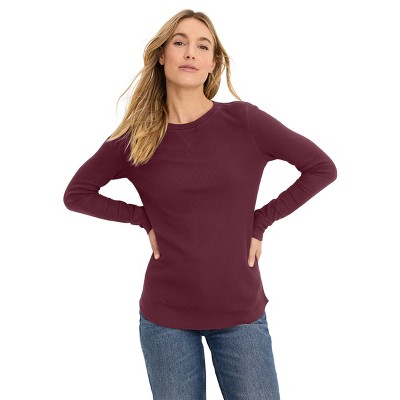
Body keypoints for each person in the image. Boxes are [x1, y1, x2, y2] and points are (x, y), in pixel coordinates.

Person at [63, 8, 337, 400]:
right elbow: (77, 194)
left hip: (240, 313)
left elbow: (321, 168)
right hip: (165, 319)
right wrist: (143, 218)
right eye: (180, 42)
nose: (191, 52)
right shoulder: (137, 138)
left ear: (212, 64)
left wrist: (260, 222)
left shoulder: (245, 121)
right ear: (162, 55)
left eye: (202, 46)